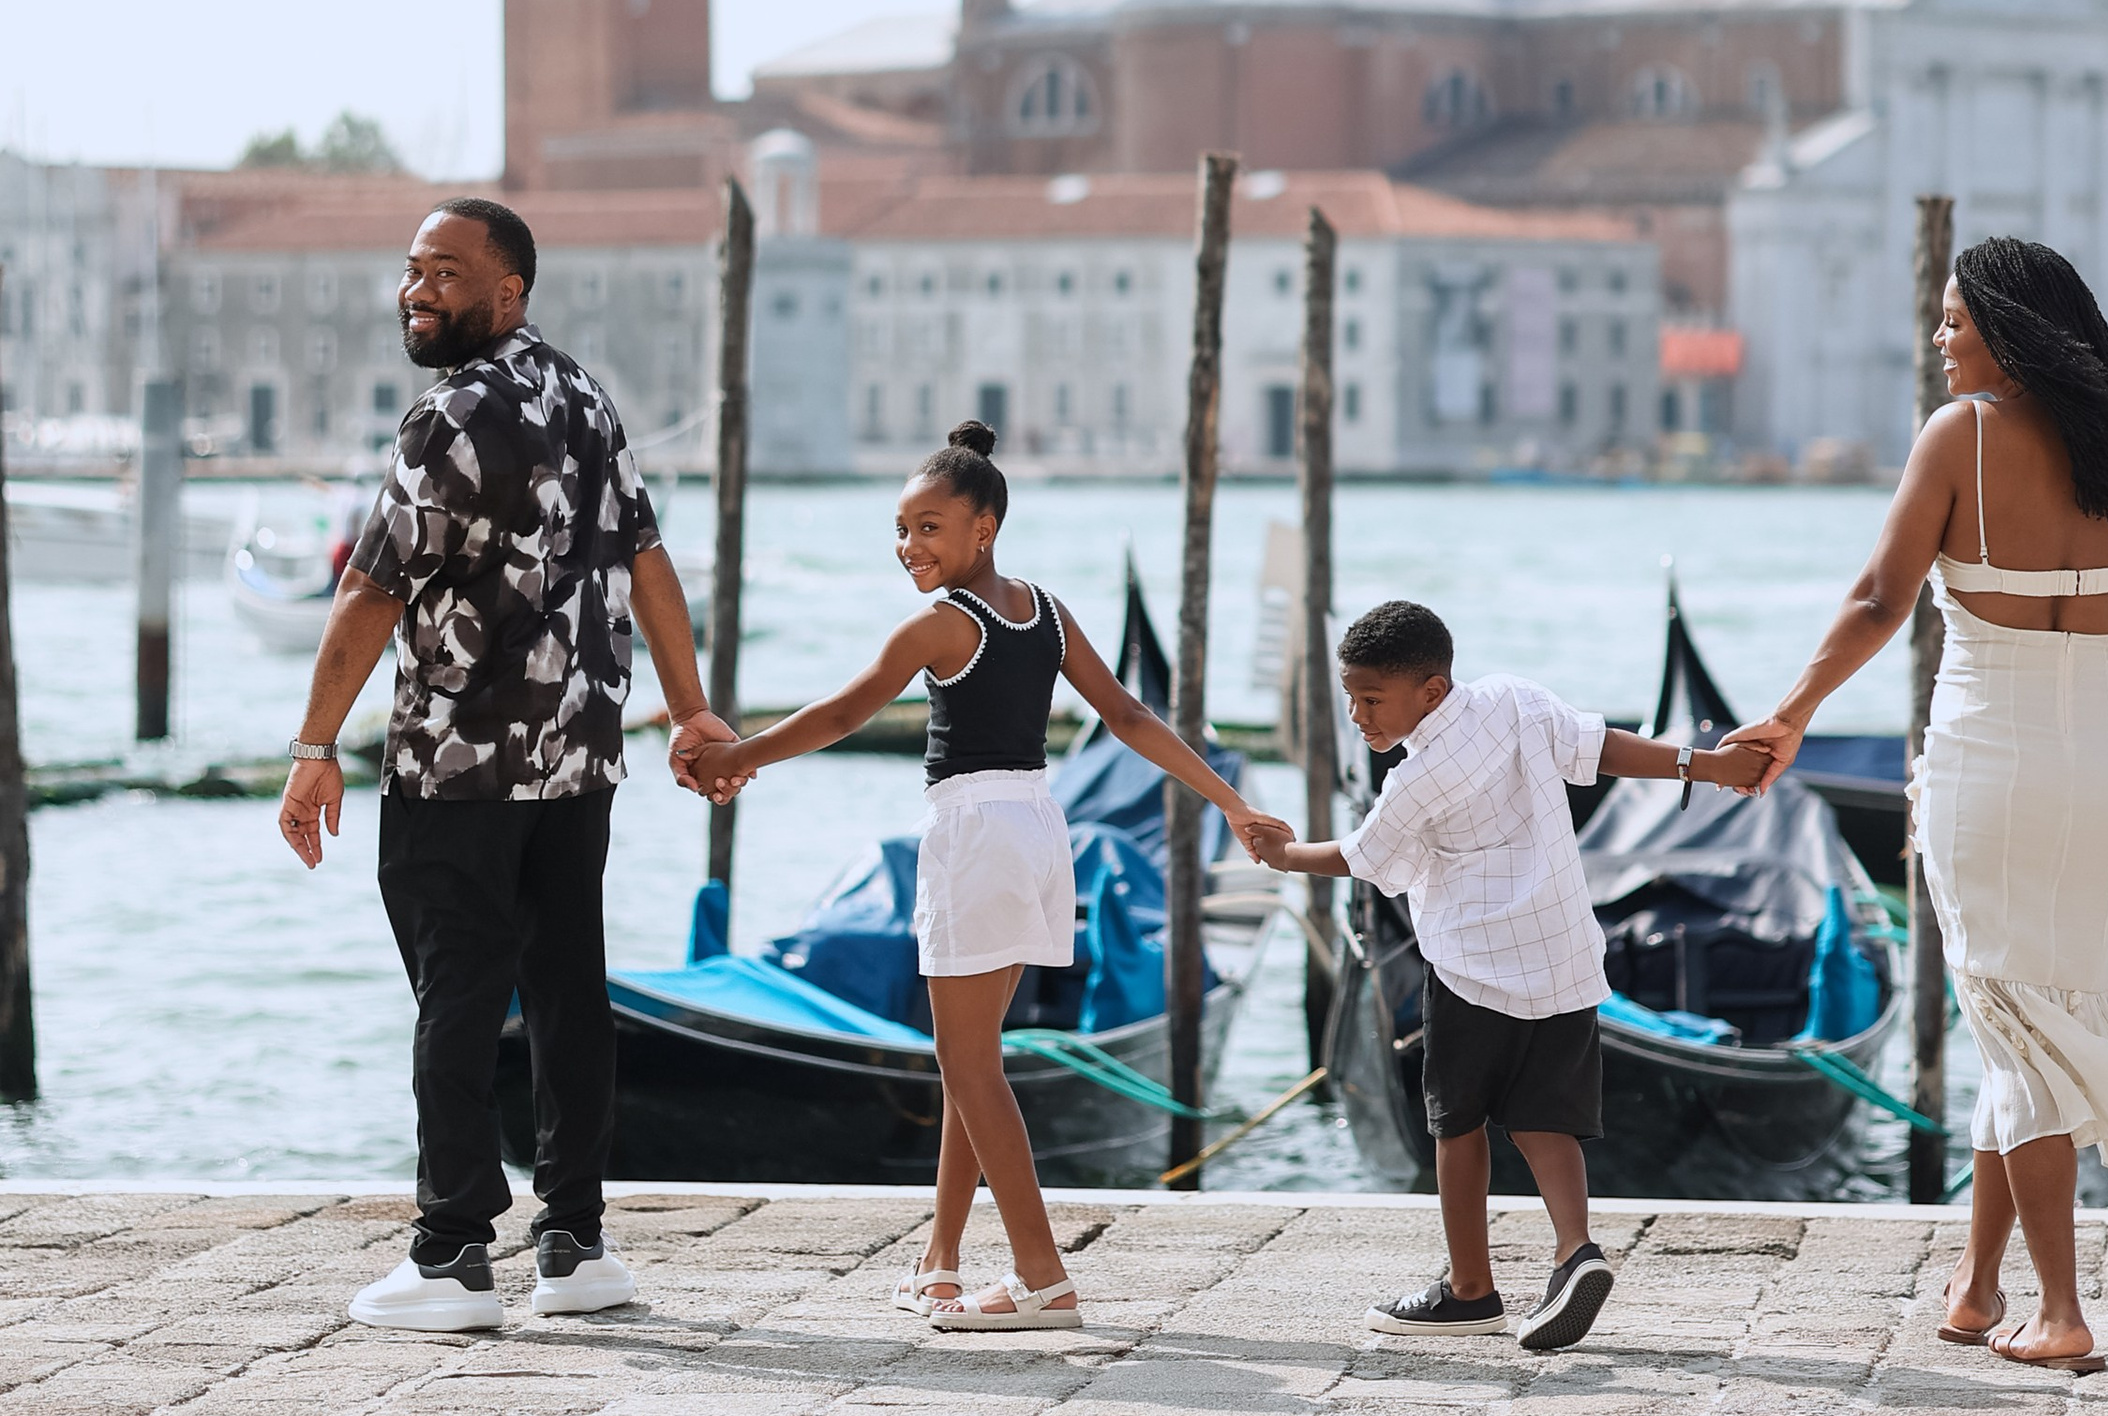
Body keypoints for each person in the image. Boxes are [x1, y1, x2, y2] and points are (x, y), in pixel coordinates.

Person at [1734, 236, 2108, 1374]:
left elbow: (1876, 597)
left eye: (1956, 321)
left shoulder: (1959, 437)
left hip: (1991, 753)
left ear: (2011, 329)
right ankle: (1975, 1287)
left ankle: (2058, 1311)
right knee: (2037, 1012)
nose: (1940, 338)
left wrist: (1792, 711)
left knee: (2016, 1024)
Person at [684, 422, 1292, 1334]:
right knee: (976, 1065)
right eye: (901, 529)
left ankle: (1043, 1275)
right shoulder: (1043, 611)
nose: (910, 547)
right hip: (1041, 831)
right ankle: (940, 1263)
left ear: (985, 527)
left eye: (930, 528)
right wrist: (1229, 801)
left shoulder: (944, 624)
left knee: (967, 1064)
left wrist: (742, 753)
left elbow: (849, 708)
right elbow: (1127, 714)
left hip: (974, 833)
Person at [277, 199, 727, 1334]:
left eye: (445, 272)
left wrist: (315, 746)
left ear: (508, 290)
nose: (416, 289)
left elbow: (370, 590)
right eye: (411, 269)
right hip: (577, 759)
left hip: (460, 768)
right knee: (570, 993)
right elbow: (650, 560)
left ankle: (450, 1254)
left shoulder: (451, 419)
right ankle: (574, 1244)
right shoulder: (581, 394)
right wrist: (691, 709)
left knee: (458, 989)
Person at [1244, 598, 1766, 1353]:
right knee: (1545, 1119)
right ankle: (1574, 1249)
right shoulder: (1514, 701)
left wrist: (1284, 855)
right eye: (1351, 698)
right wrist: (1705, 765)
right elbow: (1605, 749)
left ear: (1428, 692)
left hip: (1472, 971)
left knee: (1457, 1127)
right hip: (1562, 955)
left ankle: (1469, 1290)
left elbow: (1363, 857)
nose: (1357, 715)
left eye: (1370, 699)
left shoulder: (1415, 779)